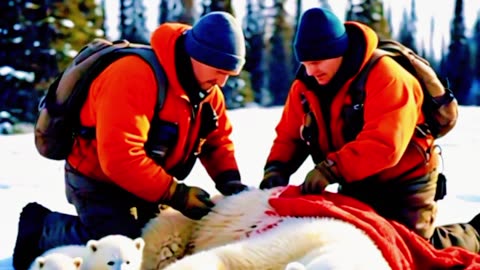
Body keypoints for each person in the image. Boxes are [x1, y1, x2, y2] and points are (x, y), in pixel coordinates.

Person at [13, 11, 249, 270]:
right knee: (121, 250)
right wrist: (177, 194)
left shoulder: (207, 91)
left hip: (147, 179)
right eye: (219, 70)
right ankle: (41, 229)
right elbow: (120, 157)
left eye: (230, 74)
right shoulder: (133, 75)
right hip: (97, 178)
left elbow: (216, 141)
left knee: (156, 244)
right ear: (197, 54)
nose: (223, 82)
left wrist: (230, 181)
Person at [259, 7, 480, 253]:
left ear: (337, 51)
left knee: (416, 252)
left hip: (406, 180)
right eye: (305, 63)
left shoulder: (387, 75)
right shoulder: (305, 86)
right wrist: (276, 170)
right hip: (356, 179)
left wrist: (330, 170)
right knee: (361, 245)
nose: (311, 71)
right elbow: (291, 136)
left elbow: (385, 144)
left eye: (317, 62)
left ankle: (476, 235)